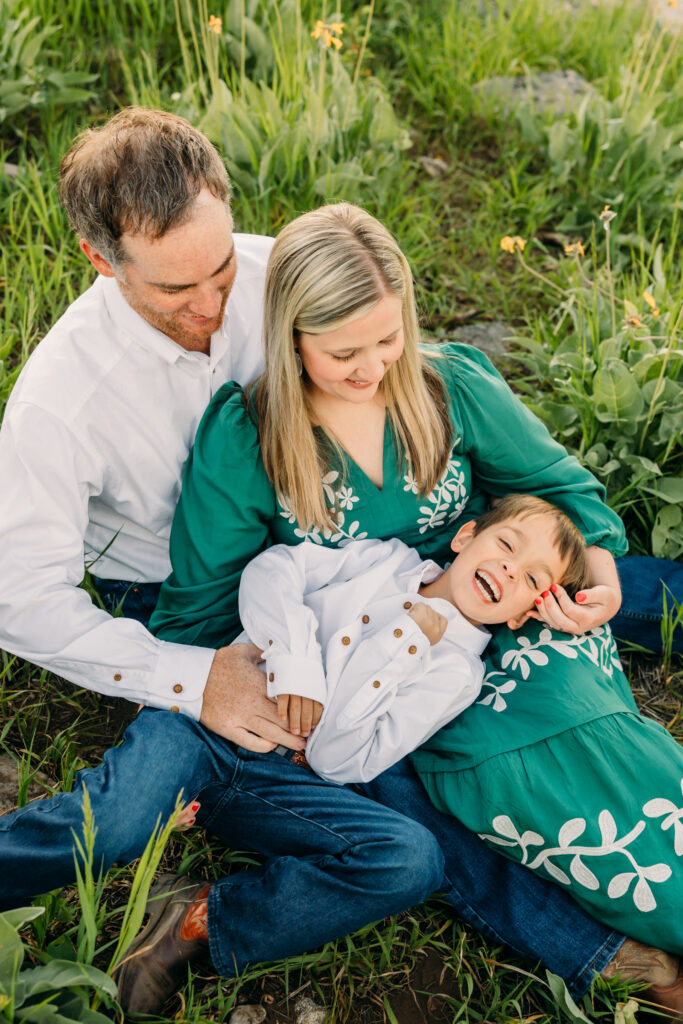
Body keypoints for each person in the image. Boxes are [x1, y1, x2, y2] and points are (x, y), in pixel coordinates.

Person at [0, 112, 679, 1017]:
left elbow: (482, 432)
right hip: (193, 598)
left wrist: (566, 563)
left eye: (222, 273)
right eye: (174, 289)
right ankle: (612, 954)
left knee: (592, 582)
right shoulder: (64, 403)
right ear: (101, 260)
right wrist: (198, 677)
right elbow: (21, 602)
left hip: (392, 556)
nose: (210, 306)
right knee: (399, 797)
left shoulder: (297, 279)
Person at [236, 495, 589, 784]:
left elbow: (332, 760)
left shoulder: (456, 673)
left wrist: (407, 640)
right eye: (507, 544)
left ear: (521, 616)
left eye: (532, 580)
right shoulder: (388, 560)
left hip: (270, 763)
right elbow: (276, 569)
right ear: (465, 536)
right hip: (222, 679)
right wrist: (298, 660)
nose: (512, 569)